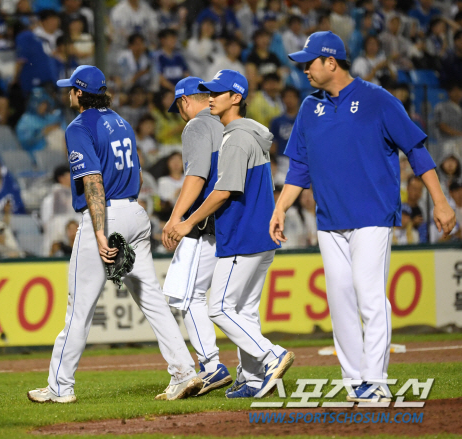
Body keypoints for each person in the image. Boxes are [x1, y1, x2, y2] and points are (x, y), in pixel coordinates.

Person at [270, 31, 456, 403]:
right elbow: (300, 168)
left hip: (372, 215)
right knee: (340, 302)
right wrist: (281, 206)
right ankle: (355, 382)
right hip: (329, 220)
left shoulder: (377, 100)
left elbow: (416, 151)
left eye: (310, 62)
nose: (304, 69)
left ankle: (377, 379)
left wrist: (441, 200)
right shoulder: (310, 107)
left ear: (332, 62)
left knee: (370, 296)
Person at [28, 65, 202, 404]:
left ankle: (60, 387)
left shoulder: (79, 126)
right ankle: (184, 371)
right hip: (136, 211)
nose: (68, 93)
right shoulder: (121, 122)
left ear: (79, 93)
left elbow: (92, 180)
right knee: (152, 298)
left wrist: (99, 231)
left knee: (79, 308)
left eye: (71, 89)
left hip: (107, 214)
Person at [167, 69, 294, 399]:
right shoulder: (251, 132)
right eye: (208, 92)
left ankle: (270, 356)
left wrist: (184, 221)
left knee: (218, 309)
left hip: (241, 234)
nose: (211, 97)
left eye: (218, 93)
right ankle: (252, 379)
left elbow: (223, 191)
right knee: (244, 311)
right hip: (259, 234)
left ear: (236, 98)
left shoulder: (234, 137)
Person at [160, 77, 231, 396]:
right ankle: (254, 369)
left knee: (186, 295)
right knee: (234, 302)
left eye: (178, 107)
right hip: (232, 222)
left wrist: (177, 218)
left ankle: (211, 365)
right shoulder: (230, 122)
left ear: (185, 101)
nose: (180, 114)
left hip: (205, 225)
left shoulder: (197, 126)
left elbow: (197, 174)